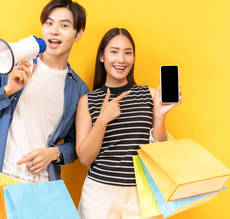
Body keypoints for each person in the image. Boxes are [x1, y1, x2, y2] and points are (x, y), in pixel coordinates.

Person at [0, 0, 88, 196]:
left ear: (79, 33)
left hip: (38, 188)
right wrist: (7, 91)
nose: (54, 30)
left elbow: (79, 145)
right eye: (49, 23)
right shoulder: (12, 61)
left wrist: (55, 153)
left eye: (64, 25)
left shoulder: (79, 89)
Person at [76, 28, 182, 219]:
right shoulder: (87, 101)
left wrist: (160, 115)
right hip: (99, 193)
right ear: (102, 56)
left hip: (141, 194)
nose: (121, 59)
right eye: (114, 51)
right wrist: (102, 120)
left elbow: (159, 152)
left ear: (133, 57)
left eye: (128, 52)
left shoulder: (149, 95)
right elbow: (85, 158)